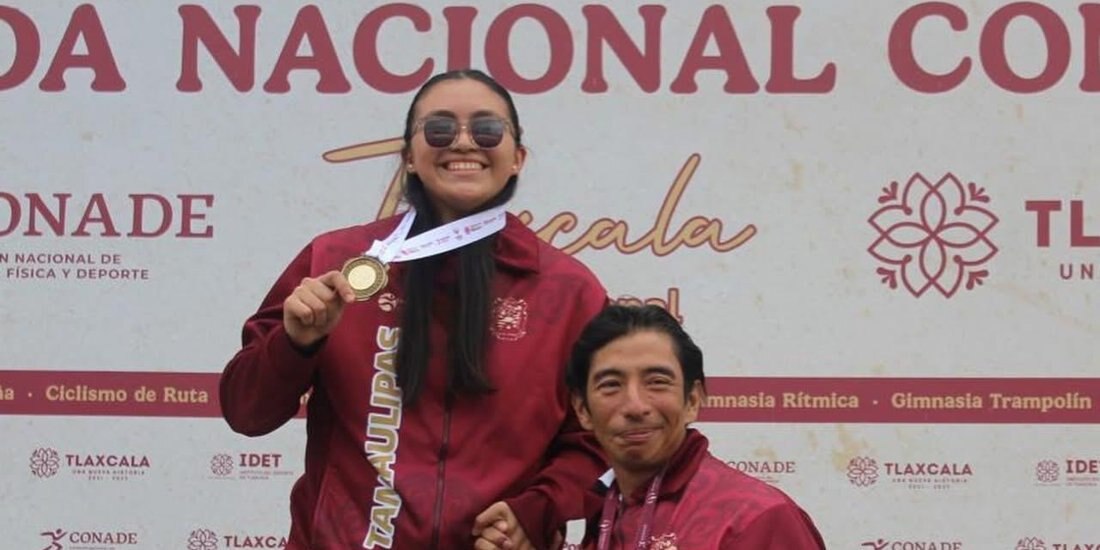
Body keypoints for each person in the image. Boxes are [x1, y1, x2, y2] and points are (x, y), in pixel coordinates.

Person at [220, 68, 609, 550]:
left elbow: (600, 436)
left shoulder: (570, 292)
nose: (463, 142)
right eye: (440, 128)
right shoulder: (336, 263)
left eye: (487, 129)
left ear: (517, 158)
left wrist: (539, 508)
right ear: (408, 156)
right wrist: (295, 344)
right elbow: (246, 412)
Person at [564, 305, 827, 549]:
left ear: (692, 400)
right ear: (582, 409)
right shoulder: (604, 512)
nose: (635, 406)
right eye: (611, 385)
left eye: (657, 382)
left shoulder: (757, 518)